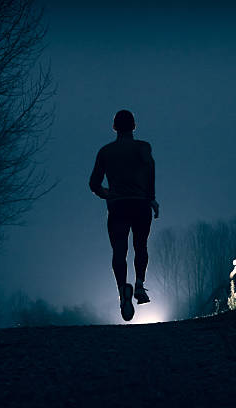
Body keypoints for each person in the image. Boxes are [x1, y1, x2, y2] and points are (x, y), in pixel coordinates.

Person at [89, 110, 159, 321]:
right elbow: (150, 169)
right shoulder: (142, 147)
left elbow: (93, 184)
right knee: (141, 245)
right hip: (140, 204)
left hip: (117, 206)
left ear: (114, 127)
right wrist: (151, 197)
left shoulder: (105, 152)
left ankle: (122, 292)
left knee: (119, 250)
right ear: (134, 126)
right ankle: (139, 285)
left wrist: (107, 194)